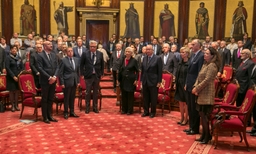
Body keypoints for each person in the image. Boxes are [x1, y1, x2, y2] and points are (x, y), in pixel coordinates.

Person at [192, 47, 221, 144]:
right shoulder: (205, 64)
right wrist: (195, 86)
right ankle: (204, 135)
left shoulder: (212, 65)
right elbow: (199, 77)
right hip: (201, 93)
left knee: (204, 116)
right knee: (201, 115)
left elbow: (207, 80)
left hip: (207, 93)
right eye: (205, 53)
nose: (205, 54)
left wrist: (197, 88)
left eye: (207, 53)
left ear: (212, 56)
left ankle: (207, 136)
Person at [184, 39, 204, 135]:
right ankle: (191, 126)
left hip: (194, 86)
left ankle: (195, 128)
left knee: (194, 108)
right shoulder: (192, 55)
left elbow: (200, 74)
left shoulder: (201, 56)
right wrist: (186, 84)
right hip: (189, 85)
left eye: (193, 44)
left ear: (198, 45)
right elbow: (189, 72)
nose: (191, 46)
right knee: (190, 107)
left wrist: (196, 87)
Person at [37, 41, 59, 124]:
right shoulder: (40, 55)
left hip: (53, 80)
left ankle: (50, 115)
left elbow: (57, 67)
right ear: (45, 46)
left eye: (51, 44)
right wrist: (49, 77)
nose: (51, 45)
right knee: (45, 99)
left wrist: (54, 77)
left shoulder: (54, 55)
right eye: (49, 44)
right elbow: (40, 68)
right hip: (45, 80)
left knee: (51, 98)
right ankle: (45, 116)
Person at [80, 40, 104, 114]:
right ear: (89, 46)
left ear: (96, 47)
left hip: (96, 75)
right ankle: (87, 107)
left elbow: (102, 65)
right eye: (91, 46)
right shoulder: (85, 53)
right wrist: (82, 74)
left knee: (96, 92)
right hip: (88, 76)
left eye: (94, 47)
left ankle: (95, 107)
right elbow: (81, 65)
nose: (92, 48)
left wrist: (102, 74)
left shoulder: (100, 54)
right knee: (88, 92)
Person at [141, 44, 162, 118]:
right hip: (145, 81)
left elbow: (160, 71)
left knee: (153, 98)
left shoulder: (157, 58)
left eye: (149, 49)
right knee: (145, 97)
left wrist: (159, 82)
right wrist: (141, 80)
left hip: (154, 81)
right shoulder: (144, 58)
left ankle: (153, 112)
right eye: (147, 49)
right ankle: (146, 111)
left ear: (153, 50)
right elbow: (143, 70)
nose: (148, 51)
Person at [59, 47, 80, 119]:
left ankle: (72, 112)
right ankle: (65, 112)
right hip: (66, 82)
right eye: (69, 51)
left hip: (74, 81)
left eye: (71, 51)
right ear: (66, 52)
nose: (70, 52)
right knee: (67, 98)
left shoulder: (76, 60)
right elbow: (61, 73)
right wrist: (62, 83)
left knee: (72, 98)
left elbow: (77, 72)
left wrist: (78, 81)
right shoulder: (63, 60)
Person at [118, 47, 139, 115]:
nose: (127, 53)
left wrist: (136, 80)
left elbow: (137, 71)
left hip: (131, 80)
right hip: (123, 80)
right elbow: (120, 70)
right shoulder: (122, 60)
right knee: (124, 95)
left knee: (130, 96)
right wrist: (118, 80)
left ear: (131, 53)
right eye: (126, 51)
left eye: (129, 52)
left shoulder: (134, 60)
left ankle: (130, 110)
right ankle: (124, 109)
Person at [174, 47, 190, 126]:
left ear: (187, 53)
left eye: (183, 52)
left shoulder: (189, 63)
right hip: (179, 84)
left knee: (186, 103)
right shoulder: (180, 62)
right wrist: (175, 83)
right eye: (181, 52)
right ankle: (181, 118)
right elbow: (177, 73)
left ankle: (186, 118)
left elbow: (189, 75)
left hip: (185, 85)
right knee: (180, 102)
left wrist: (187, 84)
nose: (181, 54)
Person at [5, 45, 24, 112]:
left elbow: (22, 67)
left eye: (15, 49)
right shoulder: (8, 58)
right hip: (11, 77)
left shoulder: (19, 58)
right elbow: (7, 68)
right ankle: (12, 105)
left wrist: (19, 75)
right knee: (12, 91)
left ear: (17, 50)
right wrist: (13, 76)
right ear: (10, 50)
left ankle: (16, 105)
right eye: (12, 49)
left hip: (18, 77)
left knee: (17, 91)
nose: (14, 50)